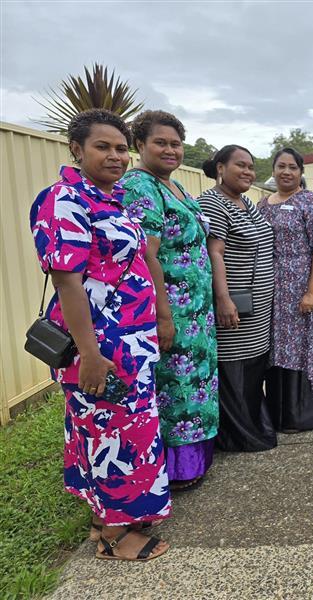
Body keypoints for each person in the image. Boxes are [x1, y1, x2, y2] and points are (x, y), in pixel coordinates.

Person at [29, 109, 170, 561]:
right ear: (76, 148)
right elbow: (68, 281)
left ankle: (110, 518)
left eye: (120, 148)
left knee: (125, 432)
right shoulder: (64, 200)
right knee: (110, 437)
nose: (115, 156)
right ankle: (114, 537)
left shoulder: (112, 200)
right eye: (102, 147)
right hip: (101, 344)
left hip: (131, 340)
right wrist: (88, 354)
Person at [120, 110, 218, 489]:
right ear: (139, 145)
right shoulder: (140, 186)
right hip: (172, 307)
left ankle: (197, 460)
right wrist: (163, 314)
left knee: (197, 383)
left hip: (196, 309)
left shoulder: (174, 186)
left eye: (176, 143)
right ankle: (177, 469)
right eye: (160, 142)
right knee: (178, 387)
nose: (170, 149)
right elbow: (147, 255)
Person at [198, 145, 277, 451]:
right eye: (239, 165)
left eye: (250, 166)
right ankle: (238, 436)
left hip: (257, 307)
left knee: (253, 369)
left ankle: (254, 427)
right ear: (220, 168)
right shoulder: (214, 203)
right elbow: (214, 252)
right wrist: (223, 298)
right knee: (235, 368)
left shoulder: (245, 201)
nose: (247, 172)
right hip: (236, 304)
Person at [258, 148, 313, 431]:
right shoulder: (264, 204)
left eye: (293, 167)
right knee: (276, 349)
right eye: (281, 166)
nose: (286, 172)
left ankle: (301, 415)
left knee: (300, 348)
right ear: (273, 170)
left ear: (301, 172)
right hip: (271, 289)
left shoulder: (309, 202)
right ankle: (278, 414)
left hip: (301, 285)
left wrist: (312, 292)